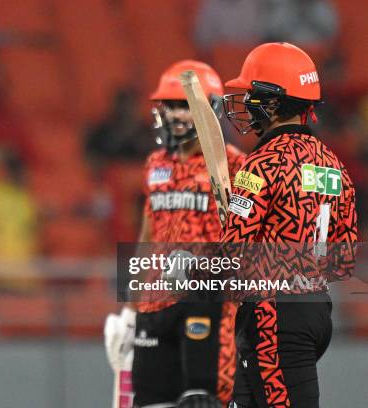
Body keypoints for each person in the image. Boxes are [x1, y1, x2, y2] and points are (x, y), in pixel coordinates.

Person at [221, 42, 357, 407]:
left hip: (273, 317)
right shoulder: (333, 164)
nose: (246, 104)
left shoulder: (261, 163)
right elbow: (341, 264)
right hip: (316, 310)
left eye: (252, 95)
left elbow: (233, 254)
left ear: (274, 101)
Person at [105, 60, 246, 408]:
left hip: (210, 310)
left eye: (186, 105)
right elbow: (147, 237)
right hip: (156, 306)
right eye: (172, 106)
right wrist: (130, 310)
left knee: (201, 402)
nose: (178, 115)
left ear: (210, 109)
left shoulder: (236, 166)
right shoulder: (156, 164)